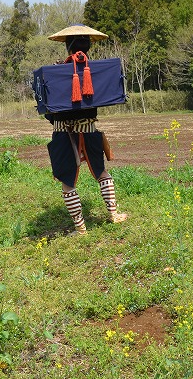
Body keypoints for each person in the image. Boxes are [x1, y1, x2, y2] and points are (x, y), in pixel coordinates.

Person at [44, 24, 127, 235]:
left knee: (67, 181)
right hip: (89, 129)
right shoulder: (97, 72)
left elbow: (49, 109)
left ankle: (80, 228)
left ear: (68, 47)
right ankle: (113, 214)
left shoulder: (58, 72)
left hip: (63, 132)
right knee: (101, 172)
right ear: (88, 46)